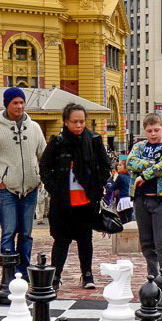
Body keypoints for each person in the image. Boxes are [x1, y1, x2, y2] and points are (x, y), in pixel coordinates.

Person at [39, 103, 110, 290]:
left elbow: (105, 166)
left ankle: (87, 274)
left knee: (85, 239)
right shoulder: (57, 142)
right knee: (61, 240)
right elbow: (45, 167)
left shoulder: (93, 140)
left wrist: (98, 184)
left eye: (82, 121)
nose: (79, 125)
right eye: (75, 122)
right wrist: (54, 188)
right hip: (63, 201)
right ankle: (56, 275)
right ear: (66, 122)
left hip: (86, 200)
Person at [0, 87, 46, 277]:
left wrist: (40, 177)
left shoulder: (34, 128)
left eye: (22, 102)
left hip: (31, 188)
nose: (19, 106)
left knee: (26, 233)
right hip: (7, 189)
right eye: (15, 102)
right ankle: (8, 273)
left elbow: (44, 155)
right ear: (7, 104)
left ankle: (23, 271)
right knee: (8, 232)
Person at [127, 113, 162, 276]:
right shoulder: (139, 146)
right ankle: (153, 274)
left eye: (156, 130)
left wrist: (144, 175)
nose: (153, 134)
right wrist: (155, 165)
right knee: (146, 241)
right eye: (149, 131)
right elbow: (130, 162)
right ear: (145, 131)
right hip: (141, 198)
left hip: (161, 199)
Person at [113, 159, 133, 224]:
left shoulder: (120, 176)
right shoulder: (130, 176)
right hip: (130, 200)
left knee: (123, 220)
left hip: (124, 200)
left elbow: (113, 187)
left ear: (125, 167)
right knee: (130, 219)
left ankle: (124, 233)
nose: (118, 166)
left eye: (120, 165)